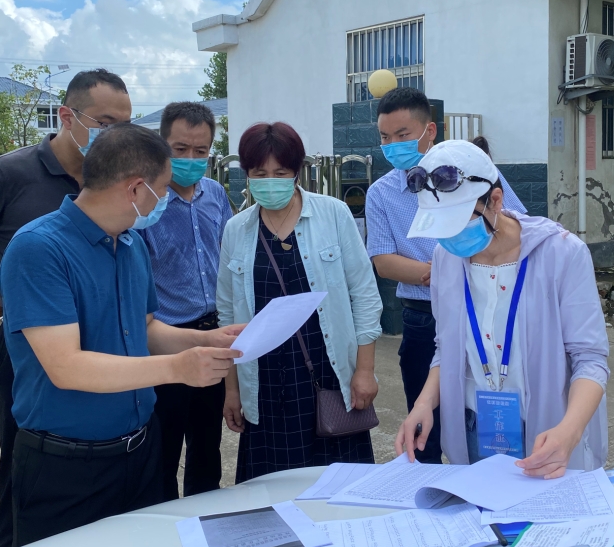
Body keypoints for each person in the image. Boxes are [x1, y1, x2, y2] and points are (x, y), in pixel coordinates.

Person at [0, 123, 243, 547]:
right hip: (68, 464)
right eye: (161, 190)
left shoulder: (129, 245)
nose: (164, 199)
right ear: (135, 189)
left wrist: (209, 340)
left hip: (139, 452)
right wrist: (177, 369)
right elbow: (66, 366)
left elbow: (146, 329)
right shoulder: (39, 249)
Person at [0, 68, 132, 547]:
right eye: (104, 122)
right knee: (26, 482)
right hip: (33, 356)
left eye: (124, 125)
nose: (114, 135)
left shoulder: (115, 179)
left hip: (105, 349)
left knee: (100, 487)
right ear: (66, 116)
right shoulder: (8, 174)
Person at [392, 140, 609, 473]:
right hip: (476, 427)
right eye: (440, 228)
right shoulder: (446, 258)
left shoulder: (562, 254)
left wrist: (570, 431)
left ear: (495, 200)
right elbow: (446, 348)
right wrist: (423, 403)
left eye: (458, 223)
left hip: (551, 431)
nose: (450, 238)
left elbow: (590, 359)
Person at [365, 87, 526, 463]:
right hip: (424, 317)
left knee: (492, 422)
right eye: (385, 137)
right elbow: (384, 261)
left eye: (402, 135)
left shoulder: (477, 173)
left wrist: (460, 272)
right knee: (426, 429)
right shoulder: (381, 193)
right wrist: (444, 272)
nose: (392, 145)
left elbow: (514, 228)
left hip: (487, 307)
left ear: (430, 130)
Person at [218, 122, 383, 482]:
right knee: (271, 490)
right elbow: (228, 317)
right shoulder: (237, 230)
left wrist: (364, 371)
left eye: (280, 173)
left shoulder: (333, 214)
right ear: (246, 174)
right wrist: (232, 390)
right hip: (263, 381)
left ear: (296, 172)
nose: (270, 181)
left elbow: (364, 295)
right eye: (259, 173)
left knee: (338, 489)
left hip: (327, 372)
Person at [136, 102, 233, 499]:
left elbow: (229, 254)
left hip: (213, 334)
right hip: (165, 339)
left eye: (200, 151)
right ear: (162, 145)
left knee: (207, 445)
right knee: (162, 447)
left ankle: (203, 514)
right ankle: (164, 521)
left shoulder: (216, 194)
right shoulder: (146, 204)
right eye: (180, 149)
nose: (191, 159)